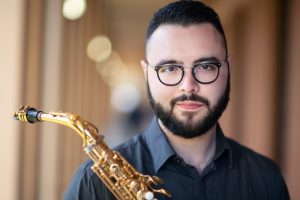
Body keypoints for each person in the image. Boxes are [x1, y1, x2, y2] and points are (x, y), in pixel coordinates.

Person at [64, 1, 290, 199]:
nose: (188, 85)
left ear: (228, 69)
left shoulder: (266, 179)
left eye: (205, 67)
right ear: (147, 74)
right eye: (170, 68)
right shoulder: (94, 184)